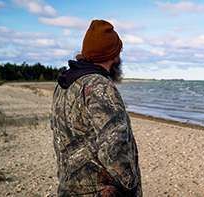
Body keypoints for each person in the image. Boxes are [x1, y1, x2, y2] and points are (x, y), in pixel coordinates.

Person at [51, 19, 142, 197]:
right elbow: (114, 145)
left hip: (69, 188)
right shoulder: (100, 87)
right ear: (114, 56)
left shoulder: (66, 84)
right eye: (118, 52)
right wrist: (130, 185)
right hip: (101, 192)